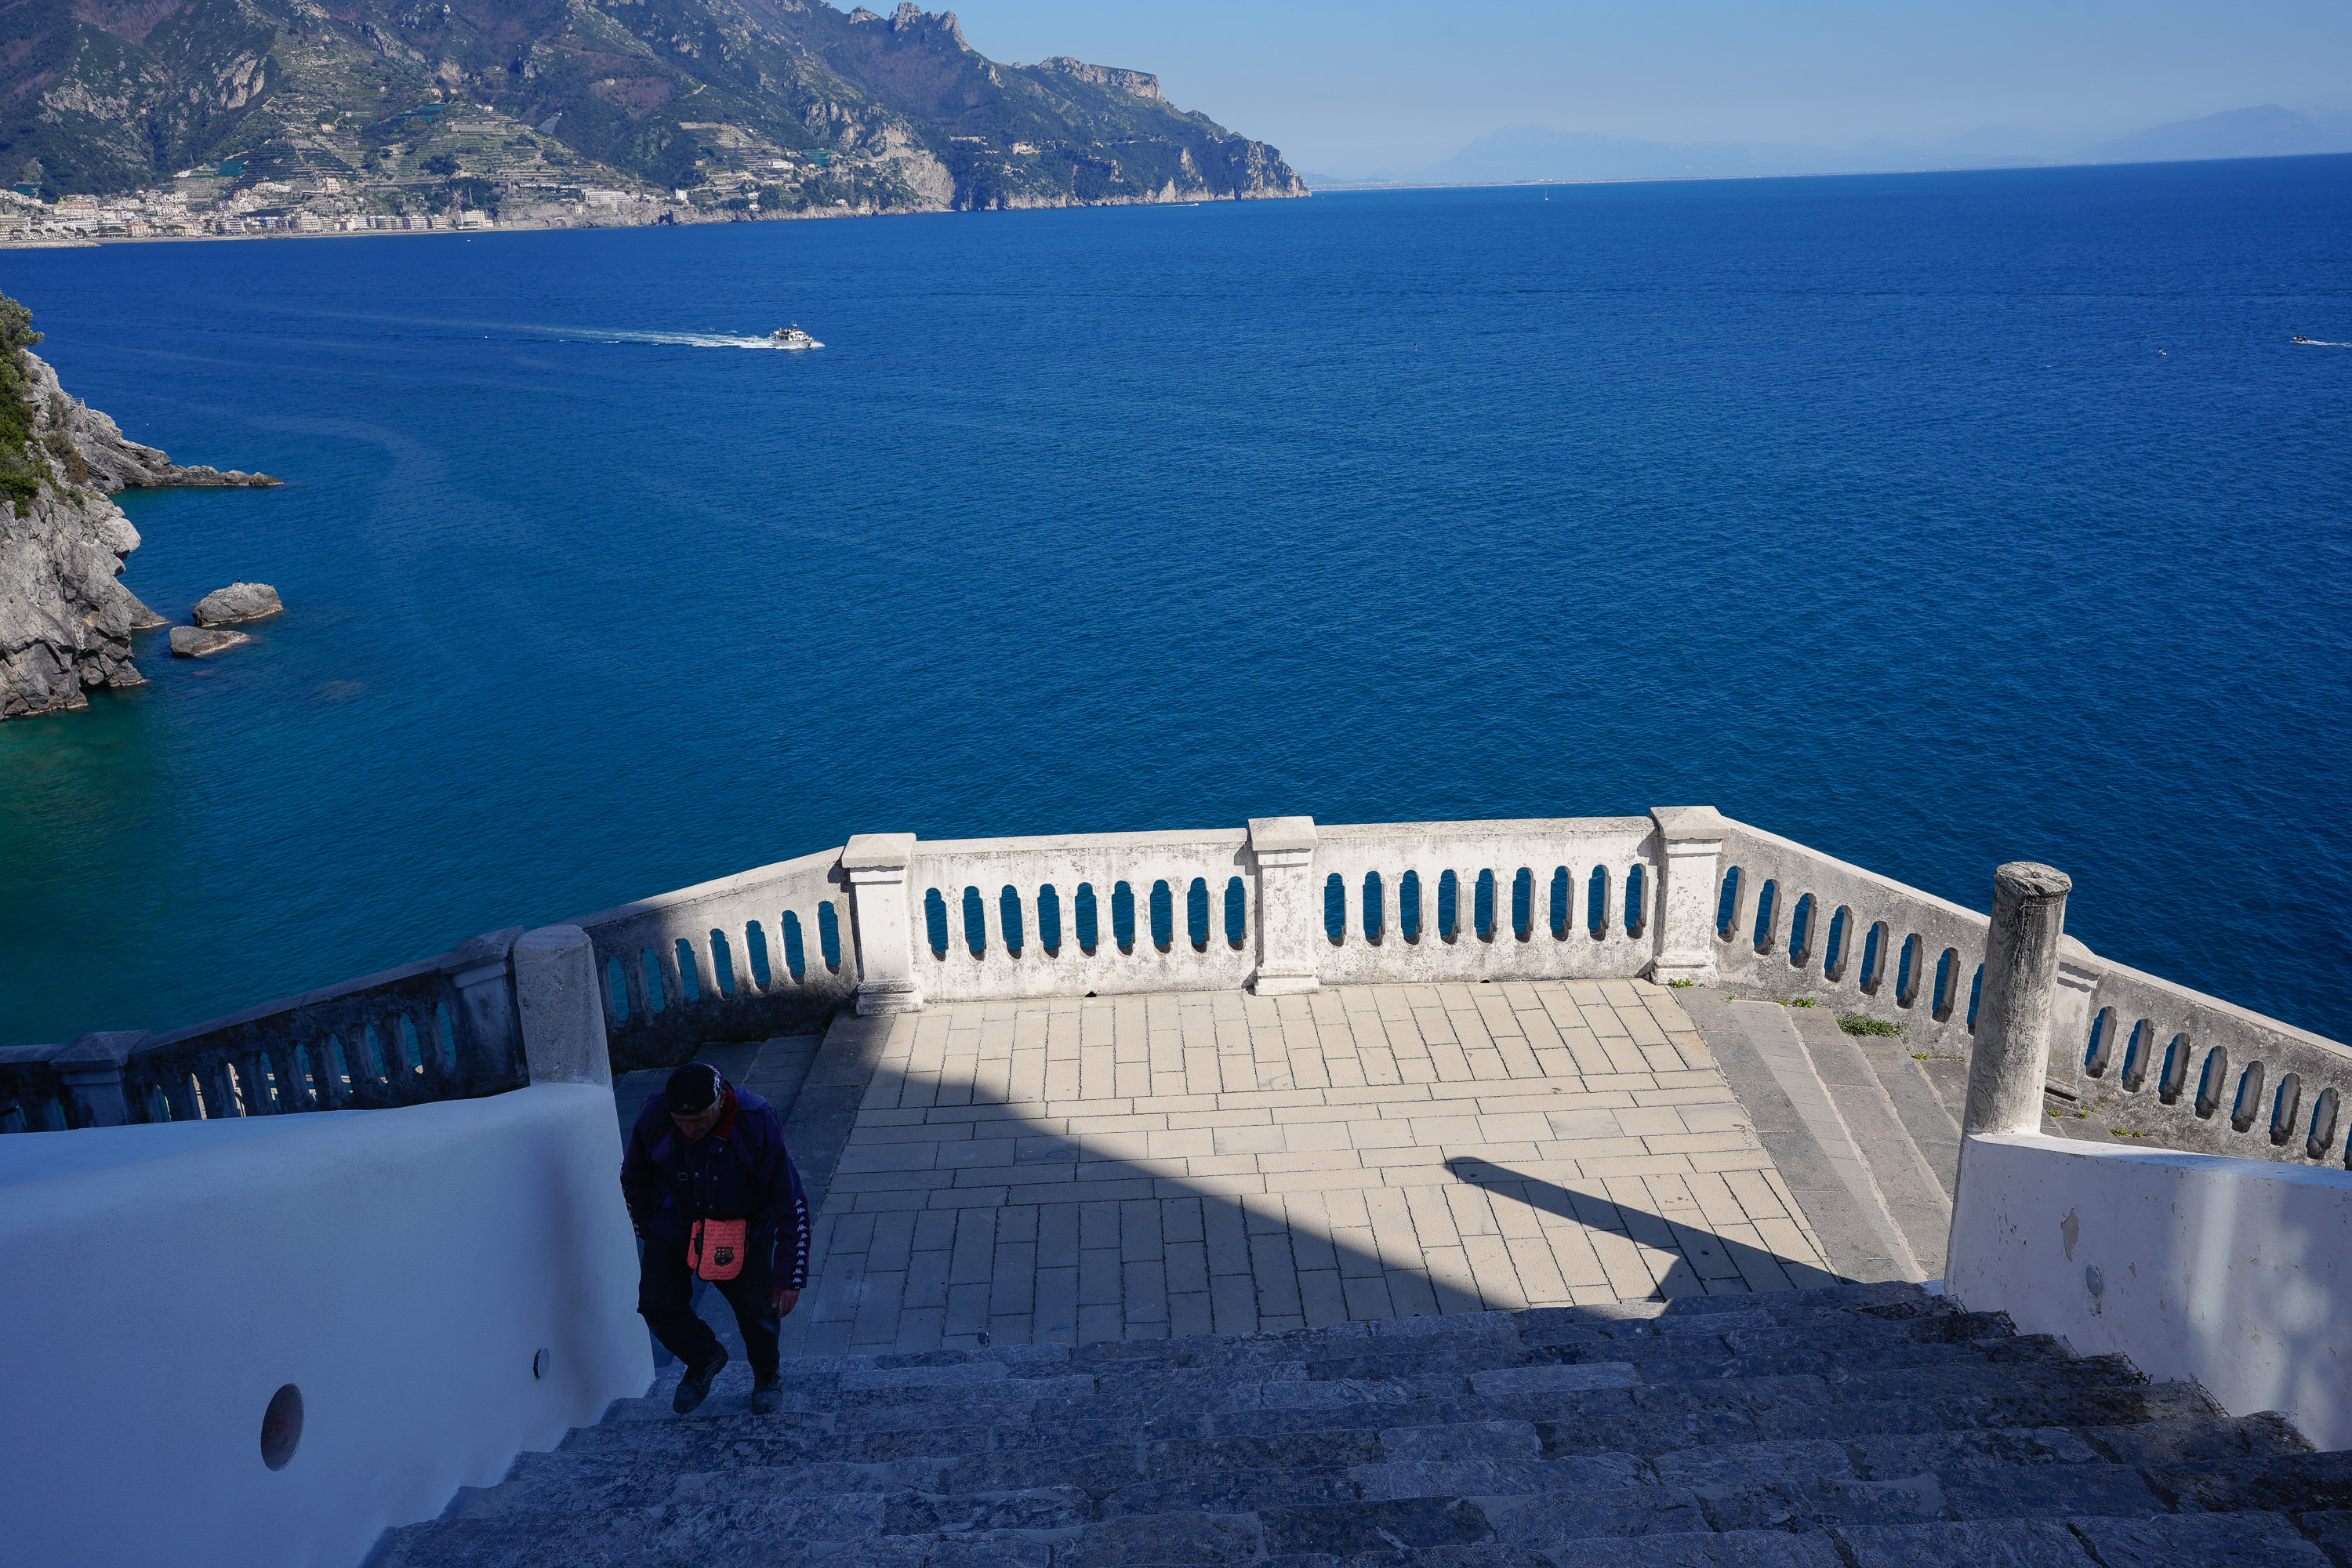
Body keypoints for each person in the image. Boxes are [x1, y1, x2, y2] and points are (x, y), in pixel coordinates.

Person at [620, 1062, 811, 1414]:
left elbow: (790, 1198)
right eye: (681, 1124)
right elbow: (634, 1177)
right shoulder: (654, 1115)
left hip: (742, 1228)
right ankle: (704, 1357)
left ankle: (767, 1376)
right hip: (676, 1220)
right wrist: (650, 1231)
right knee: (656, 1302)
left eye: (699, 1122)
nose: (690, 1131)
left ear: (721, 1100)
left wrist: (790, 1277)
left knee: (757, 1312)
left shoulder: (757, 1120)